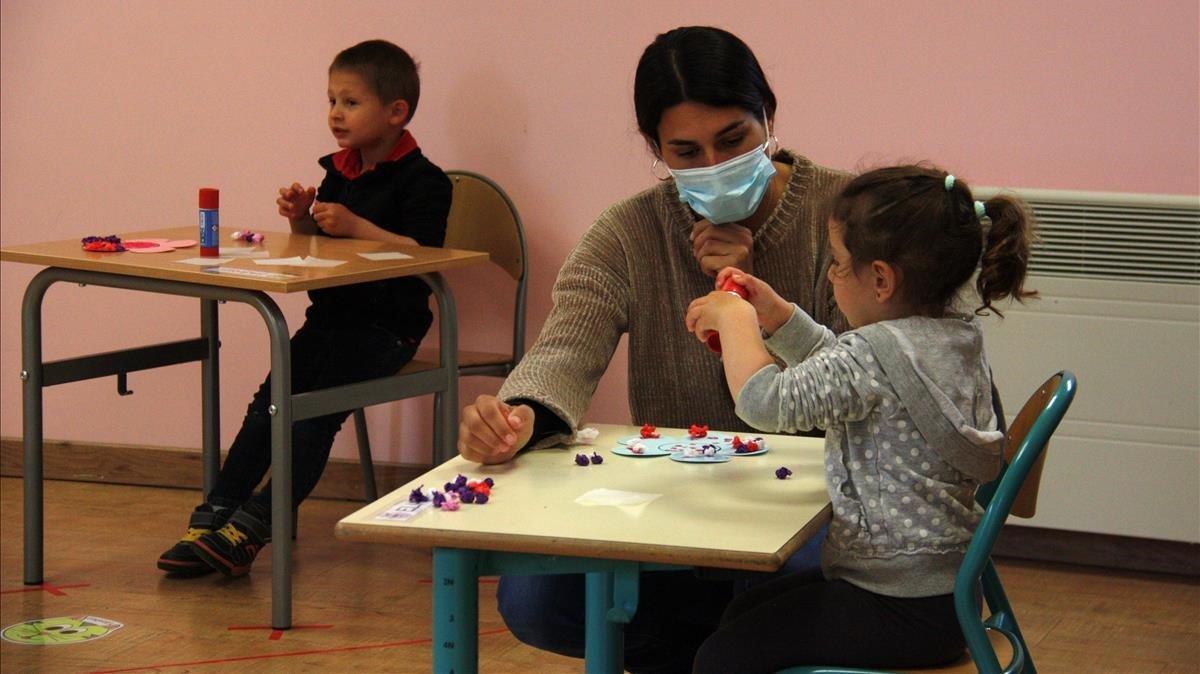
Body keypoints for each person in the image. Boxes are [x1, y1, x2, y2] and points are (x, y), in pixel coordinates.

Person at [458, 26, 849, 674]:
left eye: (733, 140)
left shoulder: (846, 215)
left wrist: (755, 301)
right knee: (537, 600)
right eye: (686, 151)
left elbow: (865, 379)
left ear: (768, 118)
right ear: (655, 149)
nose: (713, 165)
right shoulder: (629, 230)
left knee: (792, 584)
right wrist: (522, 414)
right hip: (678, 501)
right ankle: (691, 654)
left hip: (816, 500)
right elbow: (565, 348)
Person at [683, 165, 1037, 672]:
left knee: (718, 658)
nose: (831, 274)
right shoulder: (949, 338)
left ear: (881, 279)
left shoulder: (873, 355)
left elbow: (766, 402)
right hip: (944, 601)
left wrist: (737, 320)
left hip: (894, 604)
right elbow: (849, 374)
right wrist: (780, 317)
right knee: (743, 613)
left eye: (838, 263)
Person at [157, 39, 452, 578]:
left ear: (396, 112)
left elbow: (425, 254)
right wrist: (300, 218)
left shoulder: (426, 181)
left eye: (351, 102)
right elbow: (317, 249)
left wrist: (358, 226)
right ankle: (218, 510)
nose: (336, 113)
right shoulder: (340, 171)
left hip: (387, 329)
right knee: (269, 404)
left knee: (312, 415)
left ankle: (254, 525)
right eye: (331, 101)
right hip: (331, 322)